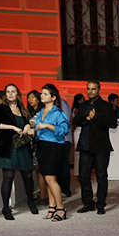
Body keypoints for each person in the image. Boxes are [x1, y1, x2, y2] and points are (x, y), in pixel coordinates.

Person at [0, 84, 38, 220]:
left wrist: (27, 125)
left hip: (22, 146)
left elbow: (27, 122)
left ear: (18, 94)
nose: (10, 94)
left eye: (13, 91)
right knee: (8, 177)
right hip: (7, 147)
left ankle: (31, 202)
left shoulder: (23, 109)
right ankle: (6, 208)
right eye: (8, 92)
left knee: (28, 176)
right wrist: (13, 127)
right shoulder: (1, 108)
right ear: (5, 94)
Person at [25, 84, 70, 221]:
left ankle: (61, 208)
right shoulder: (40, 112)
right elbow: (37, 128)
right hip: (42, 146)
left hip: (55, 147)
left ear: (53, 97)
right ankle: (52, 207)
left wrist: (47, 126)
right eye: (42, 93)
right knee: (47, 178)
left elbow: (64, 130)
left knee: (50, 178)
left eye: (45, 93)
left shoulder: (58, 113)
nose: (42, 95)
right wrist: (33, 130)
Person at [73, 80, 117, 214]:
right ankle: (88, 203)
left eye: (93, 89)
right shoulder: (83, 105)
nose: (90, 91)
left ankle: (101, 205)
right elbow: (75, 121)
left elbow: (113, 123)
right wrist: (87, 118)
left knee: (101, 176)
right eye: (88, 89)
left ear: (99, 90)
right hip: (85, 145)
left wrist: (95, 117)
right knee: (83, 176)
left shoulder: (105, 106)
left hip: (101, 146)